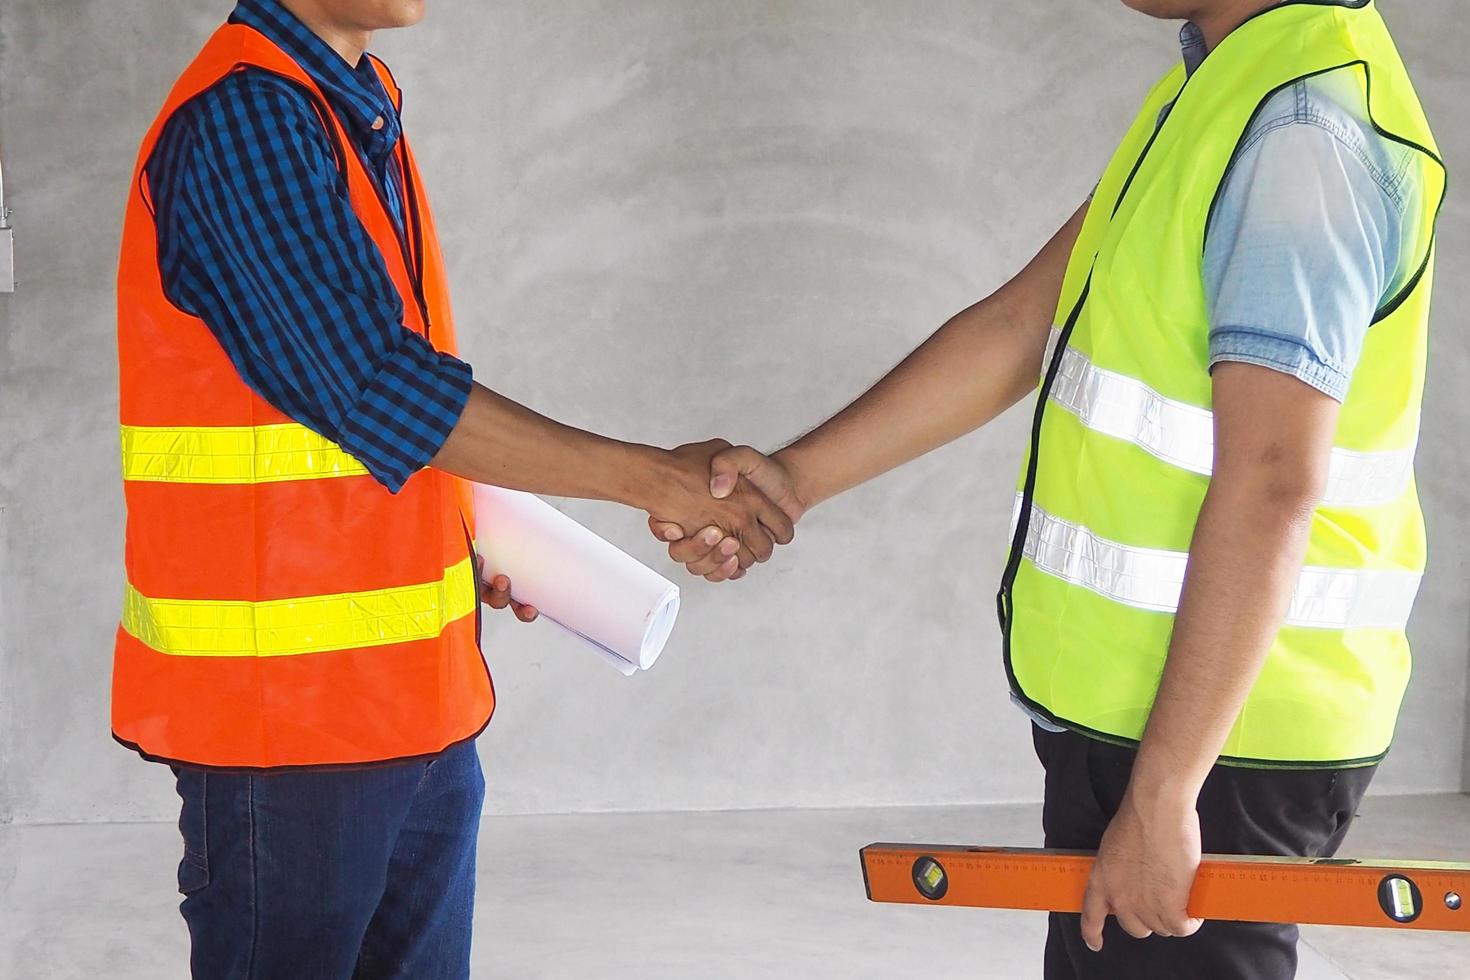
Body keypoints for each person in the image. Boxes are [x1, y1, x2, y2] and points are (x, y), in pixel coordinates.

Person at [656, 1, 1445, 976]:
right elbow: (1019, 325)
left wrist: (1165, 790)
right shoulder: (1229, 89)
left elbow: (1275, 480)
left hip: (1218, 742)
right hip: (1157, 715)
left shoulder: (1301, 136)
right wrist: (793, 481)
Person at [114, 1, 793, 976]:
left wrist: (452, 536)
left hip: (415, 713)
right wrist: (659, 477)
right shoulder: (242, 119)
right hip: (292, 732)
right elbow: (376, 385)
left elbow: (330, 424)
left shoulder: (352, 105)